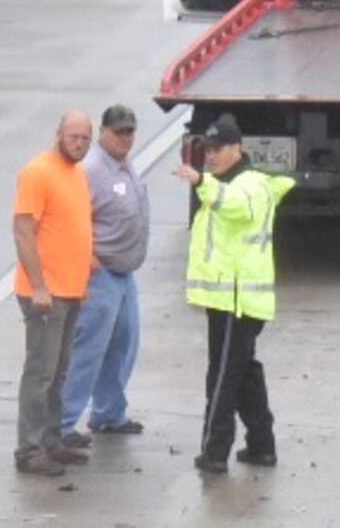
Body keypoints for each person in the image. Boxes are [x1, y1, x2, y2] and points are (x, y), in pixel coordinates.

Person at [175, 114, 293, 473]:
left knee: (224, 376)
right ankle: (261, 444)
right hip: (230, 299)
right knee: (244, 371)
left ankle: (214, 451)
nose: (211, 156)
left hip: (237, 301)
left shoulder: (250, 185)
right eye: (208, 150)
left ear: (237, 149)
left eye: (219, 149)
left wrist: (201, 183)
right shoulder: (223, 182)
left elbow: (236, 207)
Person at [8, 112, 96, 476]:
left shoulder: (77, 174)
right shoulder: (38, 172)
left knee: (59, 370)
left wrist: (82, 284)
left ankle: (51, 440)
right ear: (58, 134)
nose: (79, 143)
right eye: (73, 136)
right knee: (40, 372)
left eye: (85, 138)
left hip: (71, 291)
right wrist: (40, 285)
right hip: (45, 294)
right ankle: (28, 450)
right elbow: (23, 230)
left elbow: (73, 228)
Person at [61, 102, 151, 438]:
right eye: (119, 132)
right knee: (88, 350)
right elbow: (70, 219)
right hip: (99, 274)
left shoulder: (124, 164)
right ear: (103, 133)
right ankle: (63, 423)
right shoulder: (91, 169)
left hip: (124, 274)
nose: (126, 138)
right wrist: (88, 259)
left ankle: (109, 413)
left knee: (124, 344)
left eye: (130, 131)